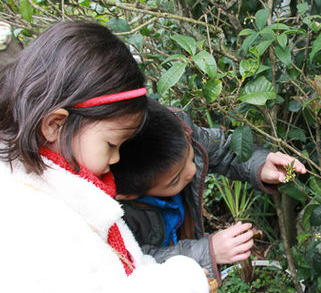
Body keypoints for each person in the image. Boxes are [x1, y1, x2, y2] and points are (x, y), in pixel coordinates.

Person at [0, 21, 209, 293]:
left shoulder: (52, 181)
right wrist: (184, 281)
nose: (114, 160)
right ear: (55, 125)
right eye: (112, 145)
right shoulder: (31, 218)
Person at [112, 97, 307, 283]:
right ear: (128, 194)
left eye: (190, 157)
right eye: (175, 180)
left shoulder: (180, 130)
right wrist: (208, 251)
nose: (192, 171)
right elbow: (134, 263)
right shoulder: (110, 216)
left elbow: (223, 150)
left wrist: (261, 165)